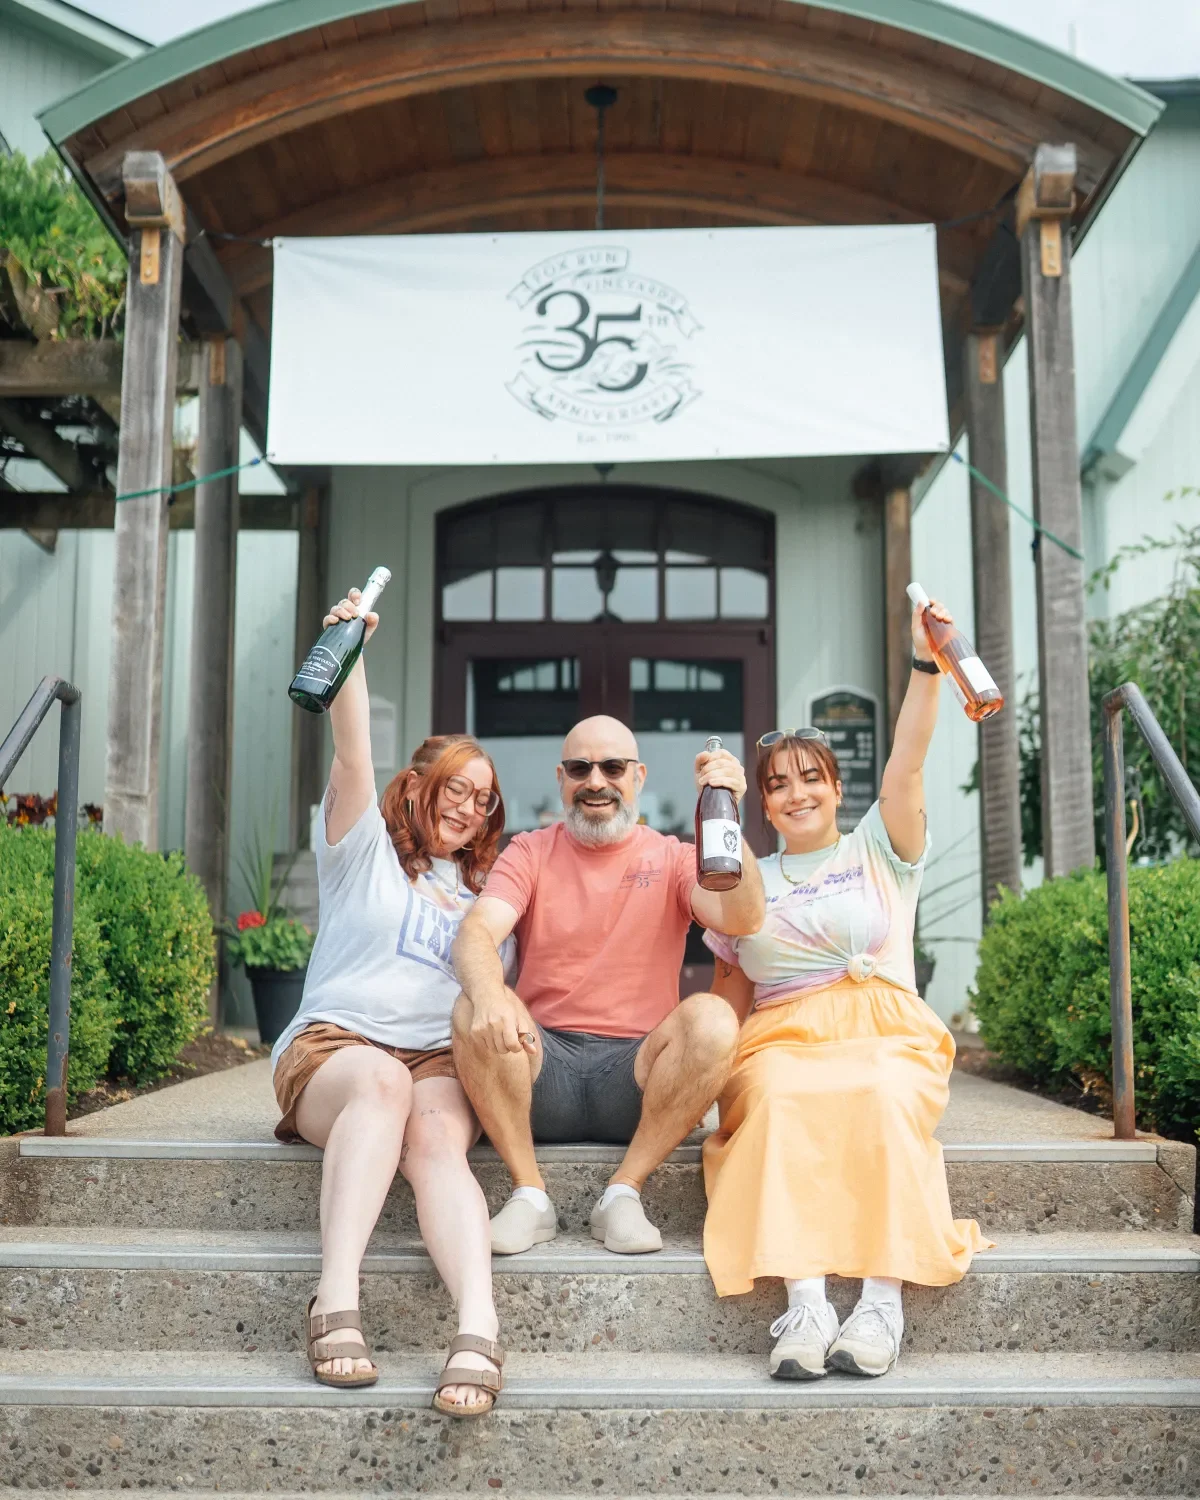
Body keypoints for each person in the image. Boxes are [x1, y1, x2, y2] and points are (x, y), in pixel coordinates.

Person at [701, 597, 992, 1381]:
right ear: (759, 804)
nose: (796, 794)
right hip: (780, 1033)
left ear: (835, 787)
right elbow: (730, 986)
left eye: (811, 779)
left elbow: (908, 755)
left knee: (881, 1094)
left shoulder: (880, 847)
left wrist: (927, 660)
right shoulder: (743, 878)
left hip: (884, 1028)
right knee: (781, 1098)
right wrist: (703, 1075)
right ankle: (804, 1303)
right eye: (778, 786)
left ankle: (879, 1305)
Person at [271, 586, 514, 1417]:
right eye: (456, 784)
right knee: (382, 1083)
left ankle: (478, 1324)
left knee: (441, 1136)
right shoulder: (361, 849)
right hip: (337, 1052)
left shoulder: (485, 896)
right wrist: (352, 645)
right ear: (420, 783)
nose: (468, 803)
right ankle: (334, 1298)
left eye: (483, 797)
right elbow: (352, 755)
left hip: (437, 1058)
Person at [451, 715, 765, 1256]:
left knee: (713, 1019)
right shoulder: (530, 851)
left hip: (639, 1079)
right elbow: (478, 932)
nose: (596, 781)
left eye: (613, 767)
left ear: (638, 776)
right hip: (540, 1068)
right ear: (561, 779)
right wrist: (485, 997)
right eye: (580, 768)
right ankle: (529, 1195)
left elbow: (743, 917)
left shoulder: (670, 856)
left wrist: (730, 815)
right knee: (472, 1000)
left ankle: (624, 1191)